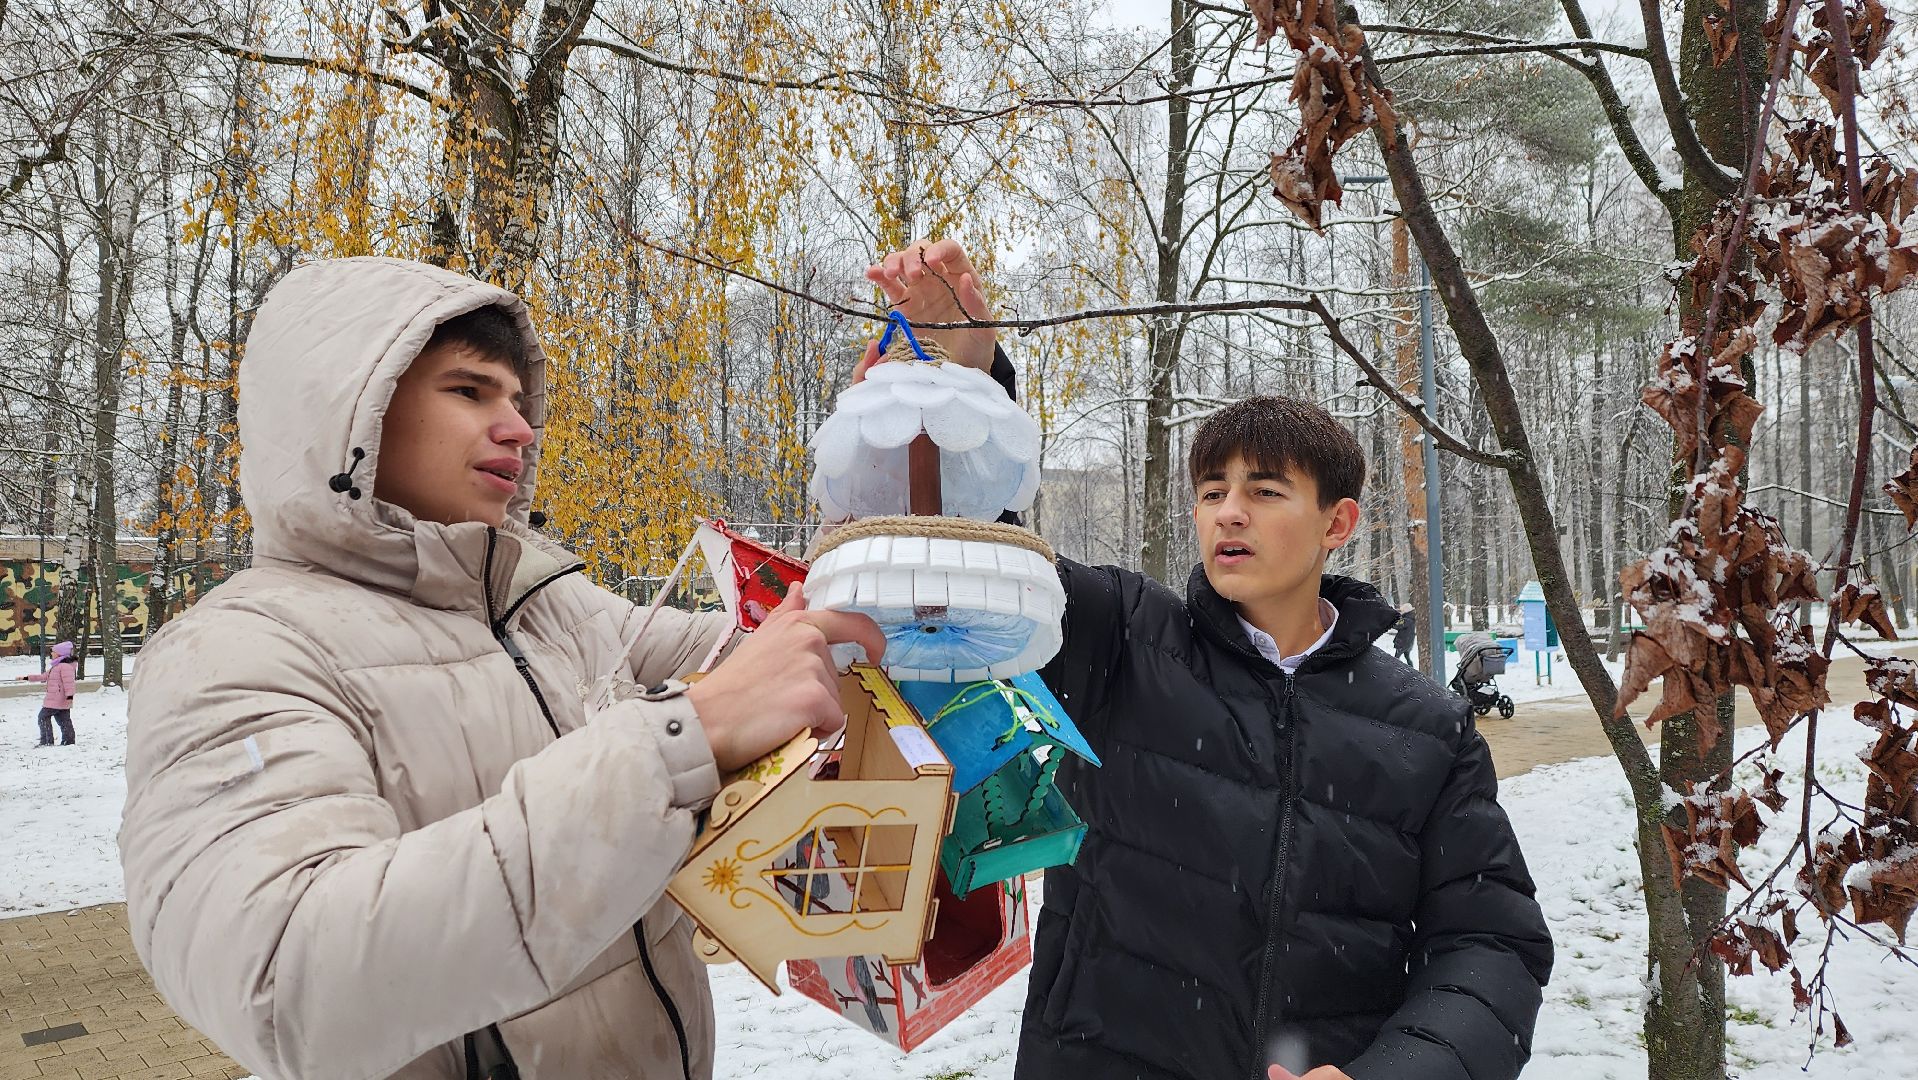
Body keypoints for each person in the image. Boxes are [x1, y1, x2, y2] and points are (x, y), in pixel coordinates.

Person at [117, 258, 887, 1080]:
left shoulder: (547, 605)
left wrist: (889, 440)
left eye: (519, 401)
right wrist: (680, 740)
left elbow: (767, 652)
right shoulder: (236, 654)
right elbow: (290, 985)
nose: (519, 428)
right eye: (469, 391)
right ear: (352, 414)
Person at [862, 239, 1553, 1080]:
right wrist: (968, 388)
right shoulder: (1120, 639)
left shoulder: (1426, 728)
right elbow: (981, 570)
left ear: (1338, 524)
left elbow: (1490, 941)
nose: (1230, 512)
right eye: (1211, 491)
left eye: (1264, 492)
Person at [17, 639, 77, 746]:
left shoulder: (65, 667)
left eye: (53, 652)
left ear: (60, 654)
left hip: (57, 700)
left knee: (43, 717)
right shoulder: (57, 666)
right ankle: (68, 741)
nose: (52, 653)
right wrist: (26, 677)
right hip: (57, 700)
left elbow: (69, 683)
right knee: (64, 721)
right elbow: (43, 676)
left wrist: (69, 696)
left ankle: (47, 741)